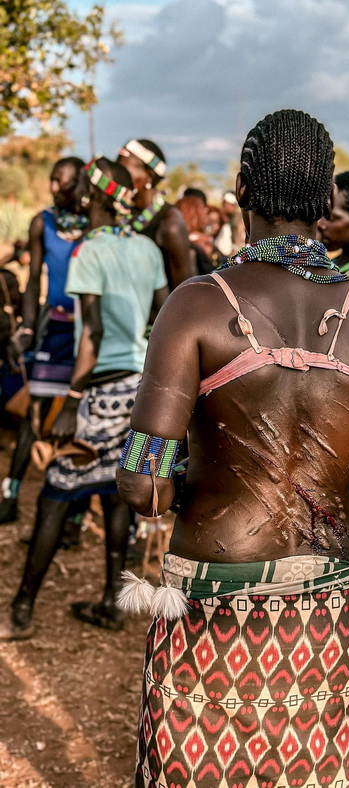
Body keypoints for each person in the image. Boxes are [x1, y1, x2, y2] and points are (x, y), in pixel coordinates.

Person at [116, 109, 349, 788]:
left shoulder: (197, 306)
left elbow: (143, 482)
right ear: (326, 202)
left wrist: (193, 470)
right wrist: (332, 482)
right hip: (328, 601)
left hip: (213, 595)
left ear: (240, 191)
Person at [0, 158, 168, 639]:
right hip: (140, 388)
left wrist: (72, 400)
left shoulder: (88, 254)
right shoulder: (146, 248)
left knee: (55, 495)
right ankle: (112, 604)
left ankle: (19, 612)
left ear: (92, 198)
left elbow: (90, 332)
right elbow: (164, 312)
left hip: (97, 387)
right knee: (117, 495)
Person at [0, 157, 87, 524]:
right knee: (35, 410)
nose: (54, 188)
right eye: (52, 180)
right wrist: (28, 328)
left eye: (61, 182)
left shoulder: (98, 226)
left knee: (82, 415)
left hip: (88, 332)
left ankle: (77, 513)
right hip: (56, 325)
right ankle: (11, 490)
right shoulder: (43, 222)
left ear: (79, 184)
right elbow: (34, 278)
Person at [117, 138, 195, 288]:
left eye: (124, 171)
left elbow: (185, 290)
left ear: (149, 176)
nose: (118, 177)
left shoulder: (170, 223)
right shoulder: (124, 217)